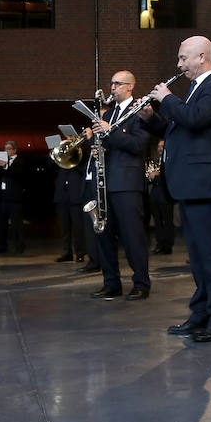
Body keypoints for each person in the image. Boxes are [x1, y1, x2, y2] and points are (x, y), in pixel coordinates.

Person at [141, 36, 211, 343]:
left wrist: (167, 98)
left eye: (184, 59)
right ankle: (201, 314)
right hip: (191, 185)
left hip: (205, 184)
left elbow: (194, 120)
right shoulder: (195, 89)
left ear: (202, 56)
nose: (179, 65)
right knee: (197, 257)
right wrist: (151, 119)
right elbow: (176, 128)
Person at [86, 71, 152, 300]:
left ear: (130, 87)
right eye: (111, 83)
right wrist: (98, 149)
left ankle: (141, 283)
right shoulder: (110, 112)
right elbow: (109, 142)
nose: (112, 88)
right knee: (104, 235)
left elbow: (138, 145)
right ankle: (111, 282)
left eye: (117, 84)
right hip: (105, 182)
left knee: (133, 235)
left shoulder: (140, 110)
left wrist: (109, 133)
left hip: (127, 182)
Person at [0, 140, 29, 254]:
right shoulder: (2, 162)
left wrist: (6, 166)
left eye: (8, 149)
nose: (6, 151)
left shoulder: (20, 161)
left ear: (14, 150)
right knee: (1, 224)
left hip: (14, 198)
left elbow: (18, 174)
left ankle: (19, 246)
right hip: (2, 197)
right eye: (5, 149)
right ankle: (1, 246)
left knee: (16, 224)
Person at [53, 159, 87, 262]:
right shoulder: (61, 161)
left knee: (78, 228)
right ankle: (66, 253)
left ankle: (80, 253)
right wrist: (54, 155)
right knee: (64, 229)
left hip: (75, 196)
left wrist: (73, 161)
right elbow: (49, 166)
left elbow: (84, 170)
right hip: (62, 197)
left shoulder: (80, 157)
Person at [147, 141, 174, 255]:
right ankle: (159, 244)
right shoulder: (154, 161)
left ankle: (167, 246)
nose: (160, 148)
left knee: (167, 221)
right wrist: (152, 176)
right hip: (155, 195)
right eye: (158, 146)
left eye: (162, 146)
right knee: (157, 222)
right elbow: (149, 177)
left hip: (165, 195)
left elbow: (168, 178)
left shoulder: (169, 160)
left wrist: (156, 176)